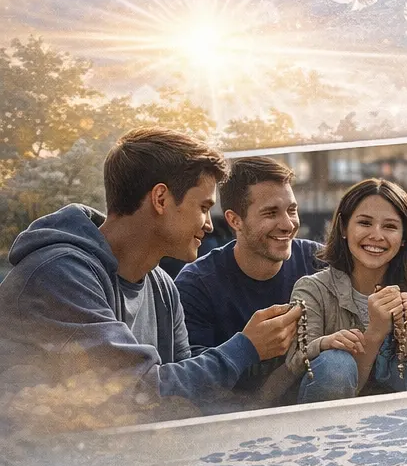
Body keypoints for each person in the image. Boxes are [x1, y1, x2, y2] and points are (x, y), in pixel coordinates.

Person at [0, 129, 299, 427]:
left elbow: (187, 399)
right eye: (204, 207)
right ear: (160, 199)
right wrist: (246, 348)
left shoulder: (163, 288)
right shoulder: (58, 275)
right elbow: (134, 395)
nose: (209, 225)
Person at [175, 156, 322, 407]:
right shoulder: (195, 286)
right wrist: (248, 347)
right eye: (270, 213)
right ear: (235, 220)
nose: (288, 224)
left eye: (292, 210)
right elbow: (191, 388)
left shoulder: (317, 261)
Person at [285, 178, 407, 403]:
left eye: (390, 226)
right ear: (344, 228)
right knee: (336, 363)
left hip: (398, 424)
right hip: (325, 426)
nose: (376, 235)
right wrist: (374, 333)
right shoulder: (312, 290)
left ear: (403, 238)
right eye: (364, 223)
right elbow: (295, 364)